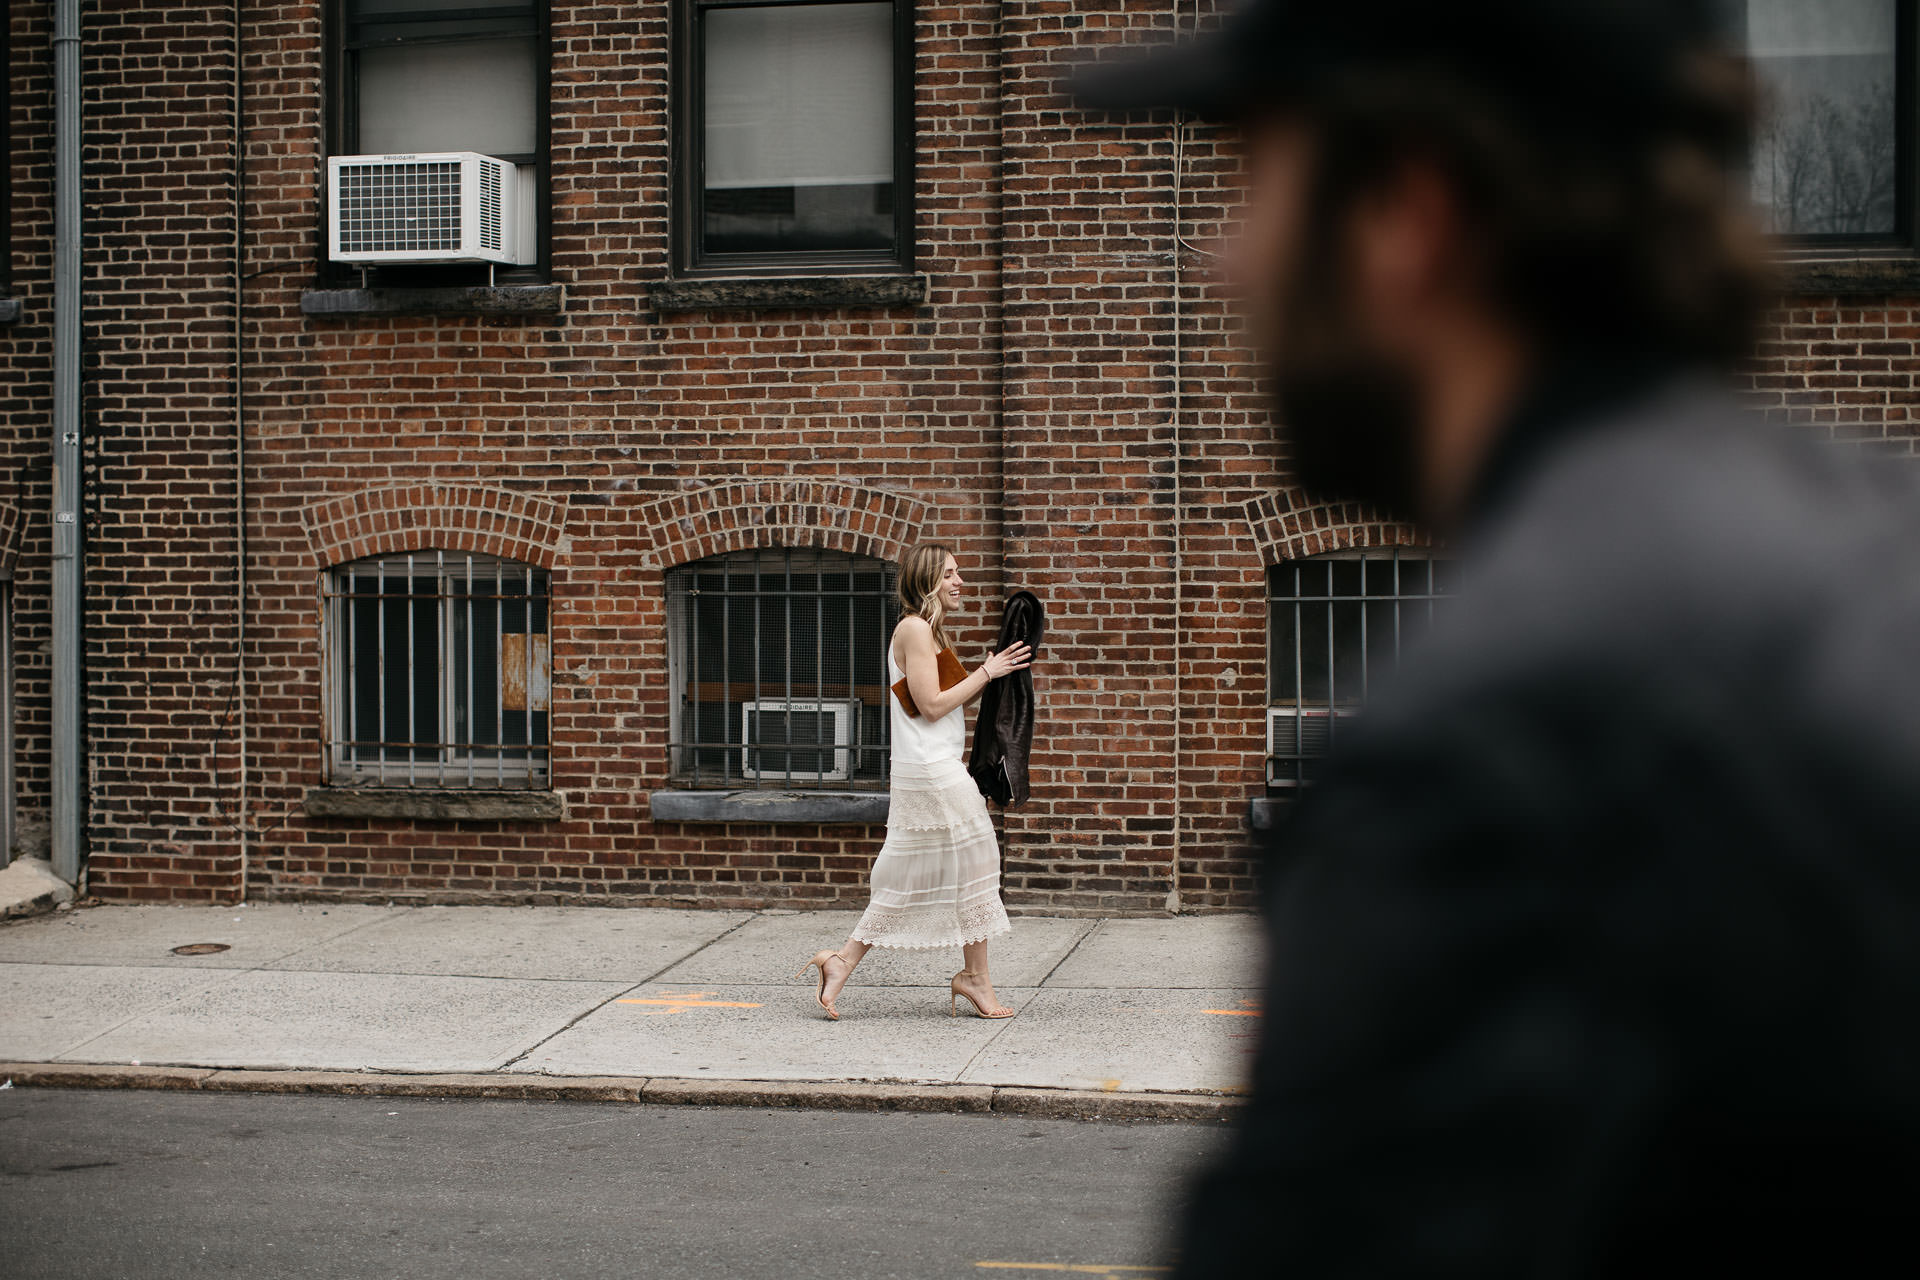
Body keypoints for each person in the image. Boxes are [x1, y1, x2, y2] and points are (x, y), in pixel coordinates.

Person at [1078, 1, 1920, 1274]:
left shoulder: (1486, 752)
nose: (1225, 260)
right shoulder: (1873, 534)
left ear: (1408, 214)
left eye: (1256, 183)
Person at [800, 542, 1032, 1020]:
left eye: (958, 573)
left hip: (929, 764)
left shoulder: (927, 631)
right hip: (931, 768)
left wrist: (990, 674)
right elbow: (930, 705)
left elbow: (937, 702)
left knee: (919, 873)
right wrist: (988, 671)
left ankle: (841, 963)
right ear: (927, 580)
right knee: (977, 860)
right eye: (949, 574)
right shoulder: (913, 629)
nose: (959, 582)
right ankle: (974, 978)